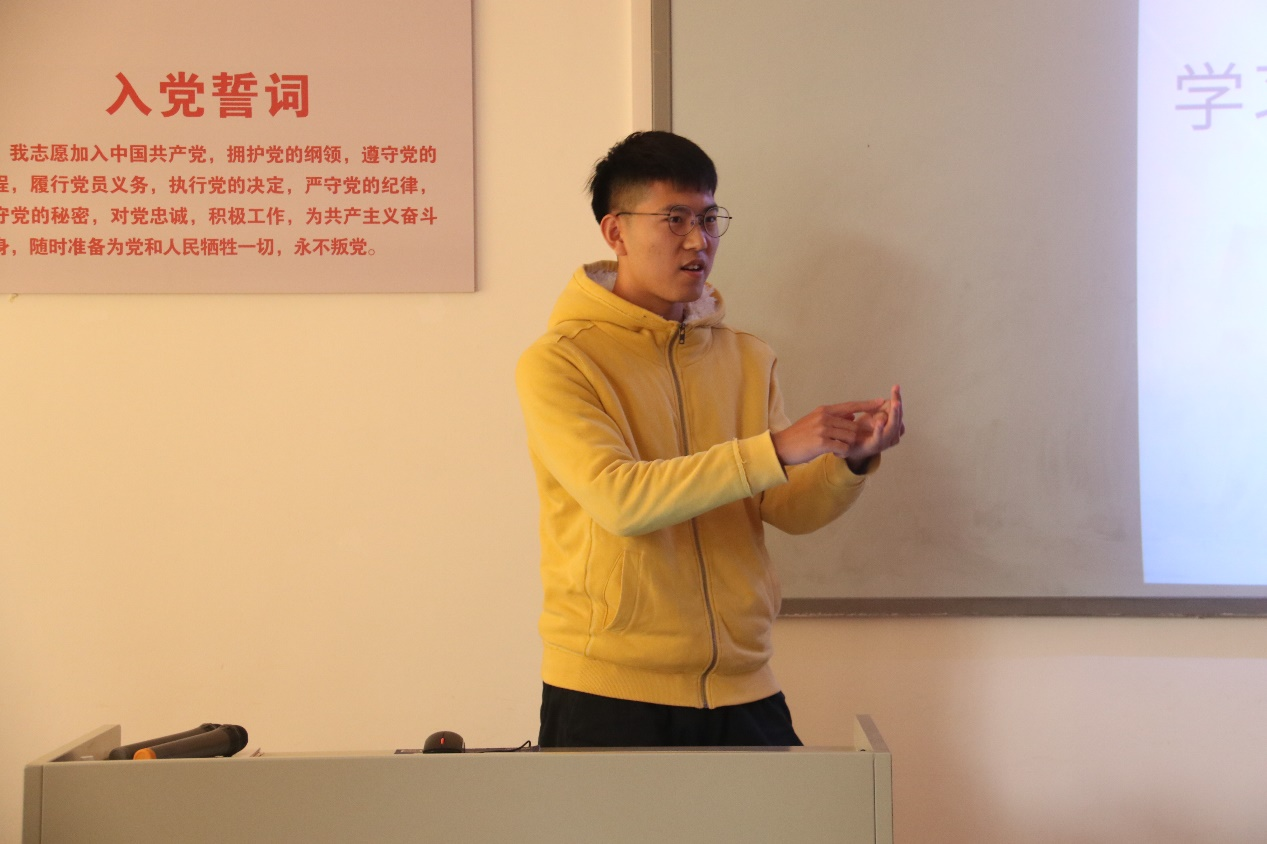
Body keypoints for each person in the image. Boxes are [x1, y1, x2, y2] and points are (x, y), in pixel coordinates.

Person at [515, 131, 903, 748]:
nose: (699, 240)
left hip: (744, 686)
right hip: (608, 691)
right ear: (616, 232)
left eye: (708, 218)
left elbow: (784, 507)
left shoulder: (747, 357)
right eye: (674, 219)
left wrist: (847, 464)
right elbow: (620, 501)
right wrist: (776, 449)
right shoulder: (561, 360)